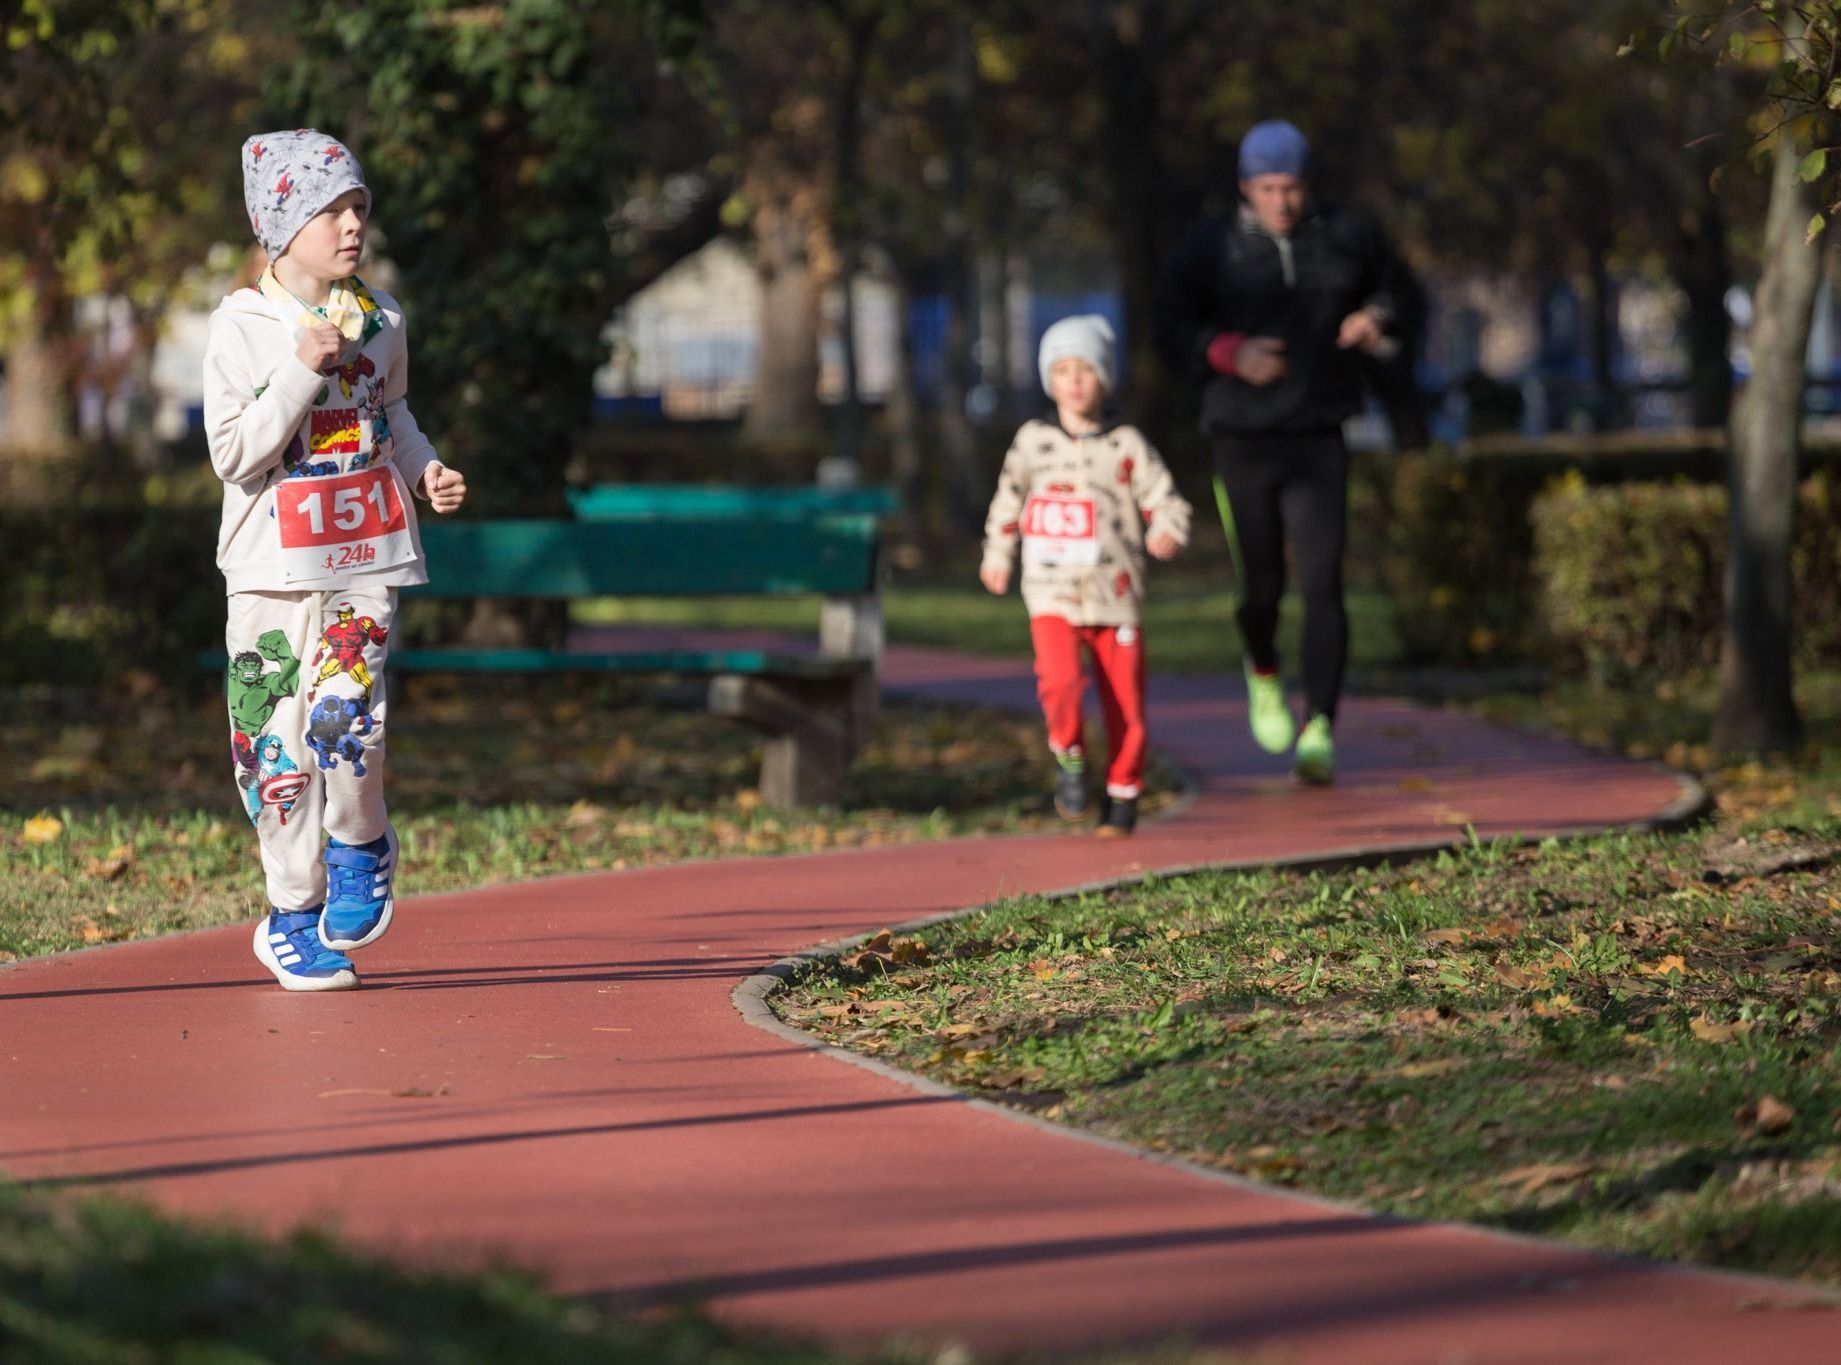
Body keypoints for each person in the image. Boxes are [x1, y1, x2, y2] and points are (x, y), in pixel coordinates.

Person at [204, 129, 467, 991]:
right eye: (331, 210)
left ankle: (360, 842)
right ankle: (290, 911)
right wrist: (297, 371)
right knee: (273, 747)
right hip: (268, 573)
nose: (352, 224)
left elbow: (394, 418)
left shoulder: (384, 319)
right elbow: (235, 457)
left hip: (363, 557)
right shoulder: (244, 325)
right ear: (282, 227)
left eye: (358, 206)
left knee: (346, 718)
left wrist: (426, 470)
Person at [1153, 119, 1405, 784]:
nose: (1282, 202)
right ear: (1246, 187)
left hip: (1318, 433)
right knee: (1259, 585)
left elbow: (1400, 292)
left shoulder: (1346, 237)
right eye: (1268, 188)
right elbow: (1167, 325)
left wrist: (1374, 317)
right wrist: (1226, 352)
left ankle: (1319, 722)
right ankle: (1261, 667)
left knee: (1323, 584)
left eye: (1291, 187)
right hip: (1240, 436)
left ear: (1306, 185)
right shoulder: (1211, 248)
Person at [980, 316, 1191, 837]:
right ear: (1049, 380)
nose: (1074, 381)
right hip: (1050, 591)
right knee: (1060, 682)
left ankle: (1123, 795)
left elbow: (1165, 498)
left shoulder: (1126, 444)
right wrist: (998, 553)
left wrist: (1168, 527)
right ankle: (1069, 755)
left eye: (1085, 370)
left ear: (1105, 378)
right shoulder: (1032, 441)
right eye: (1062, 370)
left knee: (1124, 703)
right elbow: (1008, 499)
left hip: (1115, 595)